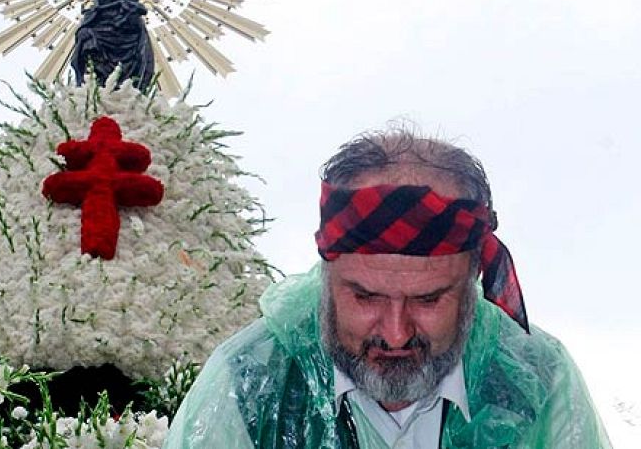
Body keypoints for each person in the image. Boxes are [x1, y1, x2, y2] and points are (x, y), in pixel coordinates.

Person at [163, 128, 612, 448]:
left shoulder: (536, 382)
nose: (396, 334)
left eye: (429, 299)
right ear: (327, 276)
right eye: (365, 296)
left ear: (474, 276)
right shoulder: (249, 383)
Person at [70, 0, 154, 91]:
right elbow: (85, 27)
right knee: (85, 35)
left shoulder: (128, 6)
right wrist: (86, 34)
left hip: (127, 48)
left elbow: (137, 27)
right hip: (99, 51)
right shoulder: (93, 11)